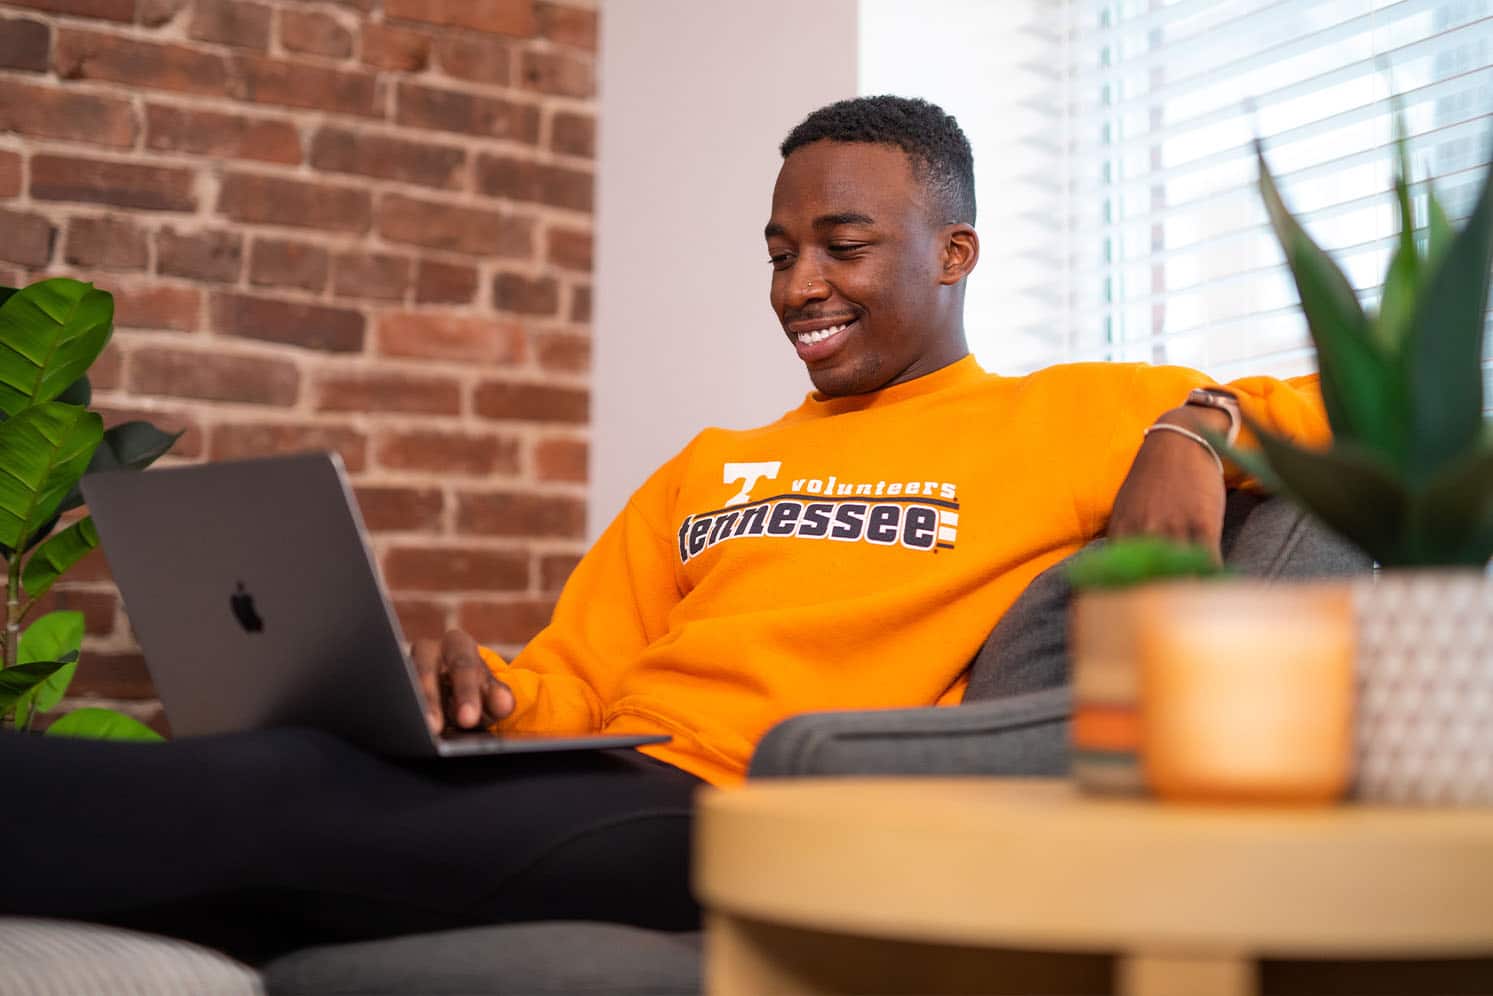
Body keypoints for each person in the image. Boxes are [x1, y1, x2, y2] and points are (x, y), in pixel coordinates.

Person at [3, 96, 1326, 958]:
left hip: (743, 810)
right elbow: (576, 678)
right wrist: (491, 695)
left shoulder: (1074, 412)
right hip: (599, 771)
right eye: (777, 249)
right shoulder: (715, 464)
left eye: (842, 245)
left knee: (271, 796)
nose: (797, 284)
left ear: (952, 253)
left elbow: (1359, 410)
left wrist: (1185, 432)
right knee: (290, 772)